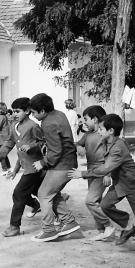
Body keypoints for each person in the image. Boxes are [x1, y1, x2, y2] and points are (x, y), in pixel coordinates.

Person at [69, 114, 135, 256]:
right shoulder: (108, 142)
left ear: (110, 131)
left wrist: (83, 173)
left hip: (134, 184)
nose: (98, 131)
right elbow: (108, 164)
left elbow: (106, 167)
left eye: (101, 129)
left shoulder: (118, 146)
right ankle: (128, 227)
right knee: (105, 205)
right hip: (121, 183)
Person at [29, 93, 80, 242]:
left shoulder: (48, 123)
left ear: (43, 111)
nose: (32, 115)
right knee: (52, 193)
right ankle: (69, 222)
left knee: (43, 194)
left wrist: (43, 163)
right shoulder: (60, 114)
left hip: (61, 165)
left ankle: (48, 230)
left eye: (33, 112)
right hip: (68, 162)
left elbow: (55, 150)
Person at [0, 97, 46, 237]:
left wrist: (32, 146)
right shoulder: (14, 125)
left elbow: (45, 144)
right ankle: (42, 204)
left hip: (35, 167)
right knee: (41, 192)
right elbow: (10, 143)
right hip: (26, 166)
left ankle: (14, 226)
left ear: (28, 111)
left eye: (18, 111)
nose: (15, 114)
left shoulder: (33, 126)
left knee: (18, 193)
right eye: (14, 111)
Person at [74, 105, 115, 241]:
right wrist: (79, 147)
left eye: (86, 119)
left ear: (95, 119)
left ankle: (108, 226)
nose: (84, 122)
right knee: (96, 201)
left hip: (102, 170)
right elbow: (77, 144)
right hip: (91, 171)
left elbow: (111, 156)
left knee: (90, 201)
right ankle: (102, 231)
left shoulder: (104, 135)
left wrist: (107, 174)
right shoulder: (87, 135)